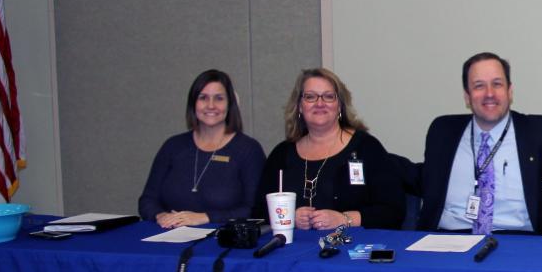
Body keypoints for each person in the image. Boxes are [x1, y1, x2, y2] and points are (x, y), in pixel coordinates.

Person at [417, 52, 542, 235]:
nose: (489, 93)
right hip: (448, 242)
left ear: (510, 91)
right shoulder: (442, 132)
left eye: (497, 84)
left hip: (522, 243)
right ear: (467, 96)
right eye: (479, 86)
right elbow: (419, 176)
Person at [256, 68, 404, 230]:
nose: (320, 103)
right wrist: (288, 216)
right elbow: (258, 211)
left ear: (340, 105)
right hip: (292, 250)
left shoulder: (367, 148)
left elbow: (393, 211)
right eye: (310, 97)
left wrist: (344, 219)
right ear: (299, 106)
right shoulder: (281, 154)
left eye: (328, 96)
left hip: (351, 247)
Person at [139, 70, 265, 228]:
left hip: (221, 241)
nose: (211, 105)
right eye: (203, 98)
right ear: (193, 104)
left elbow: (255, 210)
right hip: (168, 236)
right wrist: (161, 215)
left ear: (230, 104)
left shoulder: (248, 150)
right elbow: (147, 200)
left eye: (219, 98)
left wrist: (205, 217)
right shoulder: (172, 146)